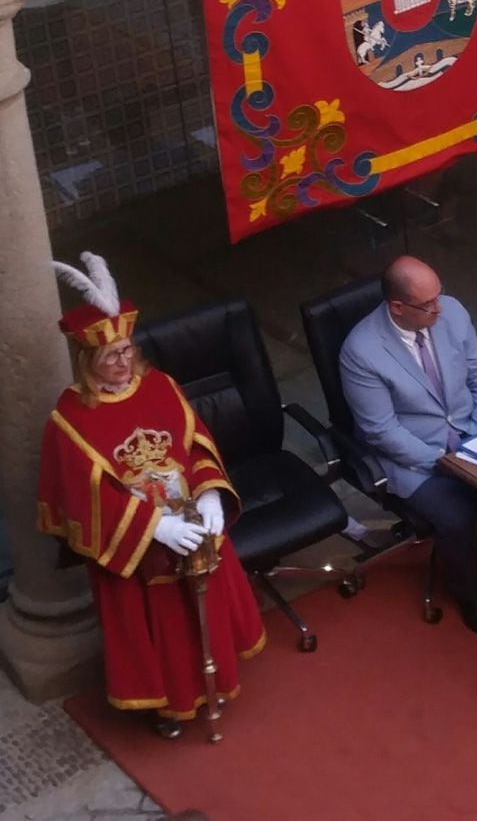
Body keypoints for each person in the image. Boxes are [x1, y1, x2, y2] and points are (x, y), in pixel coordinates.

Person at [37, 253, 265, 740]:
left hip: (191, 525)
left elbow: (197, 444)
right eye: (111, 355)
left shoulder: (160, 386)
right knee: (157, 629)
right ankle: (169, 707)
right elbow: (83, 497)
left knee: (202, 606)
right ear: (88, 360)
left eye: (127, 350)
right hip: (135, 545)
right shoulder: (69, 419)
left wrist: (208, 497)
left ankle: (215, 683)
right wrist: (155, 527)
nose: (123, 362)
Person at [339, 256, 477, 639]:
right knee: (455, 517)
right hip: (417, 458)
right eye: (428, 305)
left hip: (474, 433)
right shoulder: (362, 351)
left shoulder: (454, 314)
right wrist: (448, 462)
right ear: (397, 307)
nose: (439, 308)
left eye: (439, 296)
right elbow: (381, 431)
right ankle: (471, 595)